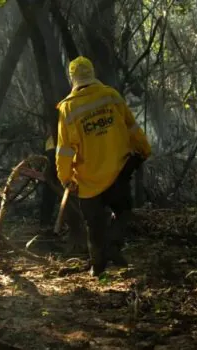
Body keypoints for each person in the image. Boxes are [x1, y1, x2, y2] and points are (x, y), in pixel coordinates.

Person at [55, 56, 151, 276]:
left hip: (87, 179)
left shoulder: (68, 108)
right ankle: (113, 247)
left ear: (73, 79)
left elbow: (65, 149)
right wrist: (145, 149)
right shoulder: (110, 96)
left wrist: (66, 177)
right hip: (118, 171)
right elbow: (132, 127)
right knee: (123, 212)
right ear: (92, 72)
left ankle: (97, 266)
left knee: (93, 224)